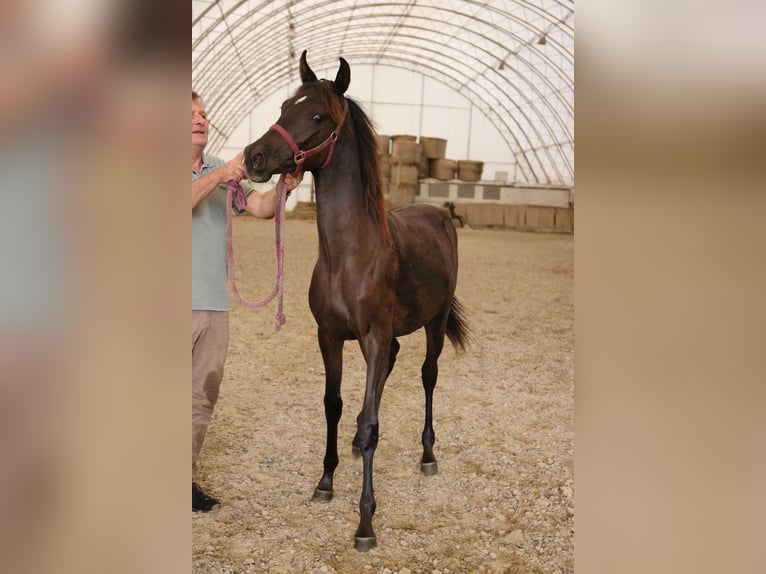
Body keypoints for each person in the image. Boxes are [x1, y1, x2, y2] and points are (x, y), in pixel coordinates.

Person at [192, 90, 302, 512]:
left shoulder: (219, 167)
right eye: (190, 115)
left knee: (200, 400)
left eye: (203, 114)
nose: (200, 120)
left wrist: (283, 189)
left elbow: (257, 208)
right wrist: (220, 178)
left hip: (213, 305)